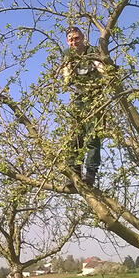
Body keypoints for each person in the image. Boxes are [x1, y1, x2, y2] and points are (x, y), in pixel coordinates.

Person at [61, 26, 105, 186]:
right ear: (67, 41)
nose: (74, 42)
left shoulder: (92, 50)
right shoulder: (68, 54)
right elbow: (66, 70)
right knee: (75, 134)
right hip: (79, 98)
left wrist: (105, 74)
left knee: (93, 134)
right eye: (71, 39)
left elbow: (101, 67)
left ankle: (91, 172)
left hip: (95, 97)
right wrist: (67, 78)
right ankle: (74, 171)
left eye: (76, 38)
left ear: (83, 37)